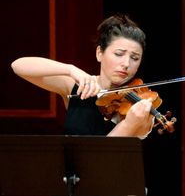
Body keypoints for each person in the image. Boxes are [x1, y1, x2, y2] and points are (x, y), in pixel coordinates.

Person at [11, 14, 154, 138]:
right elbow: (18, 66)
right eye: (118, 54)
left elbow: (100, 159)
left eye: (135, 58)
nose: (126, 63)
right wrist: (70, 69)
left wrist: (128, 125)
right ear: (99, 53)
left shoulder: (138, 110)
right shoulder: (79, 87)